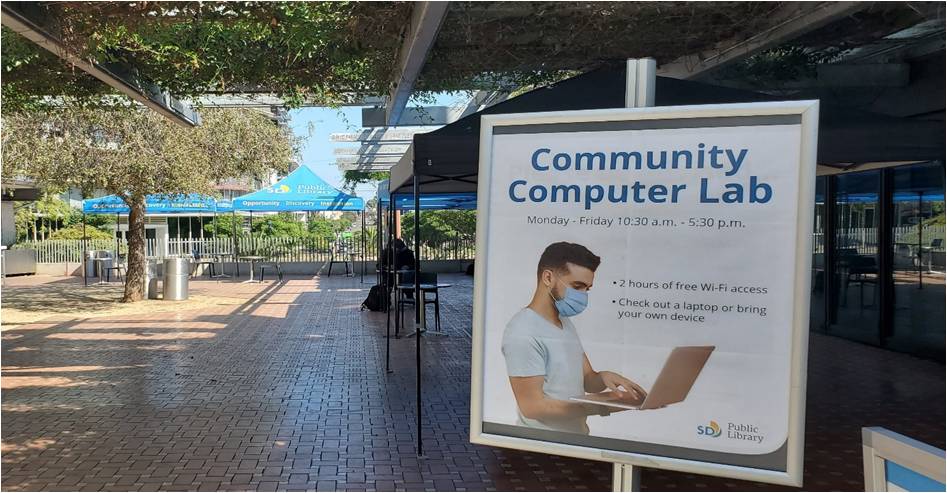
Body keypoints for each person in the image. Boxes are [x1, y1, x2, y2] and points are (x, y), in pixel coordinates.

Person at [501, 241, 647, 434]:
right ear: (547, 277)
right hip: (543, 447)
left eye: (587, 288)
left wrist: (605, 377)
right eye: (577, 286)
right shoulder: (522, 332)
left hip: (574, 439)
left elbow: (587, 380)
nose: (583, 295)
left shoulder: (564, 322)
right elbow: (532, 407)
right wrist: (603, 407)